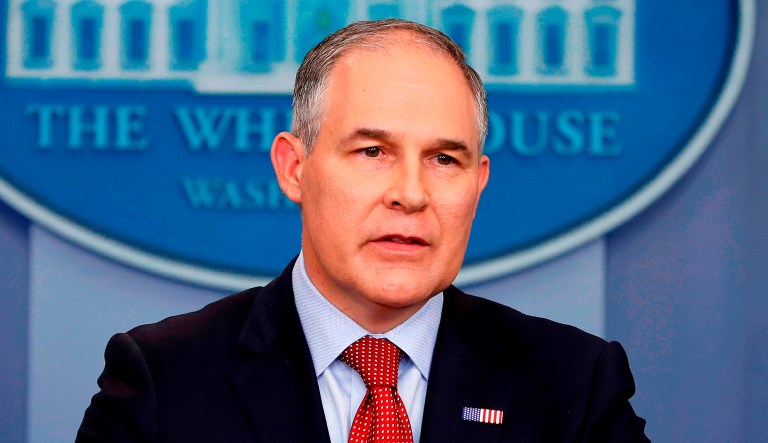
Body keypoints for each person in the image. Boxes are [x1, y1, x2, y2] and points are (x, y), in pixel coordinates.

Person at [77, 19, 649, 442]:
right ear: (294, 168)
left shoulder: (575, 386)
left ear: (479, 184)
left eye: (444, 160)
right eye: (373, 151)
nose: (410, 192)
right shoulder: (164, 380)